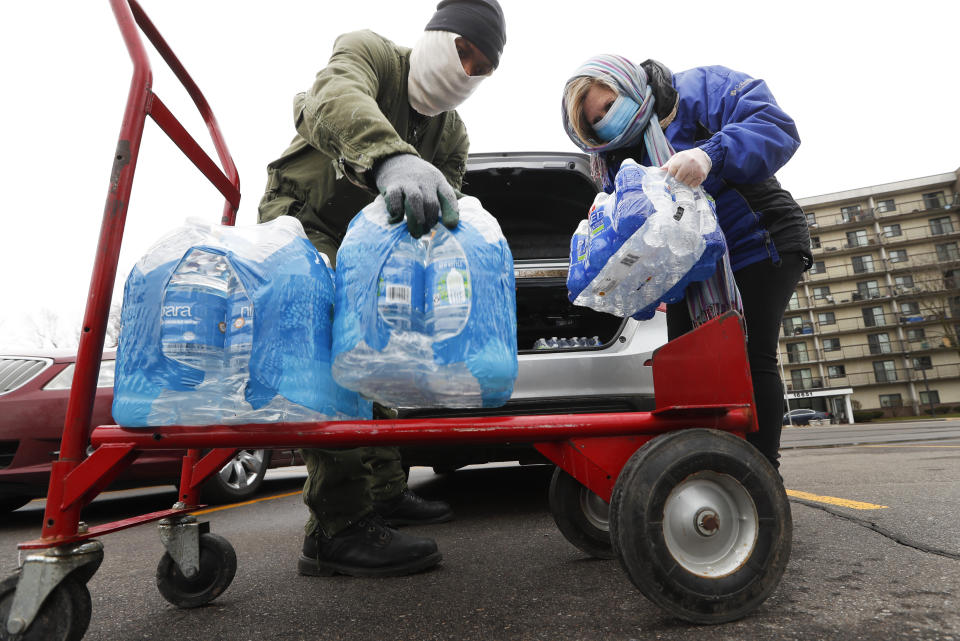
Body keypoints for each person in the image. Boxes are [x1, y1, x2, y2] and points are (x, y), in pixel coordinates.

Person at [258, 0, 506, 577]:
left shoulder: (452, 130)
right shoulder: (369, 52)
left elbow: (447, 207)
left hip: (373, 245)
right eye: (464, 51)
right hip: (307, 221)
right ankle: (337, 527)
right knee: (327, 350)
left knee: (377, 349)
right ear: (440, 35)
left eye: (482, 68)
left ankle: (386, 491)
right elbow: (332, 96)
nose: (466, 71)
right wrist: (391, 157)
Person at [561, 55, 811, 472]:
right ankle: (707, 465)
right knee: (686, 366)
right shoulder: (615, 158)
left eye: (609, 103)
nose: (607, 117)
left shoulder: (697, 91)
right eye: (597, 118)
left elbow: (775, 127)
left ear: (624, 83)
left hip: (759, 237)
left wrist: (710, 154)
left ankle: (761, 476)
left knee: (749, 353)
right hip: (692, 267)